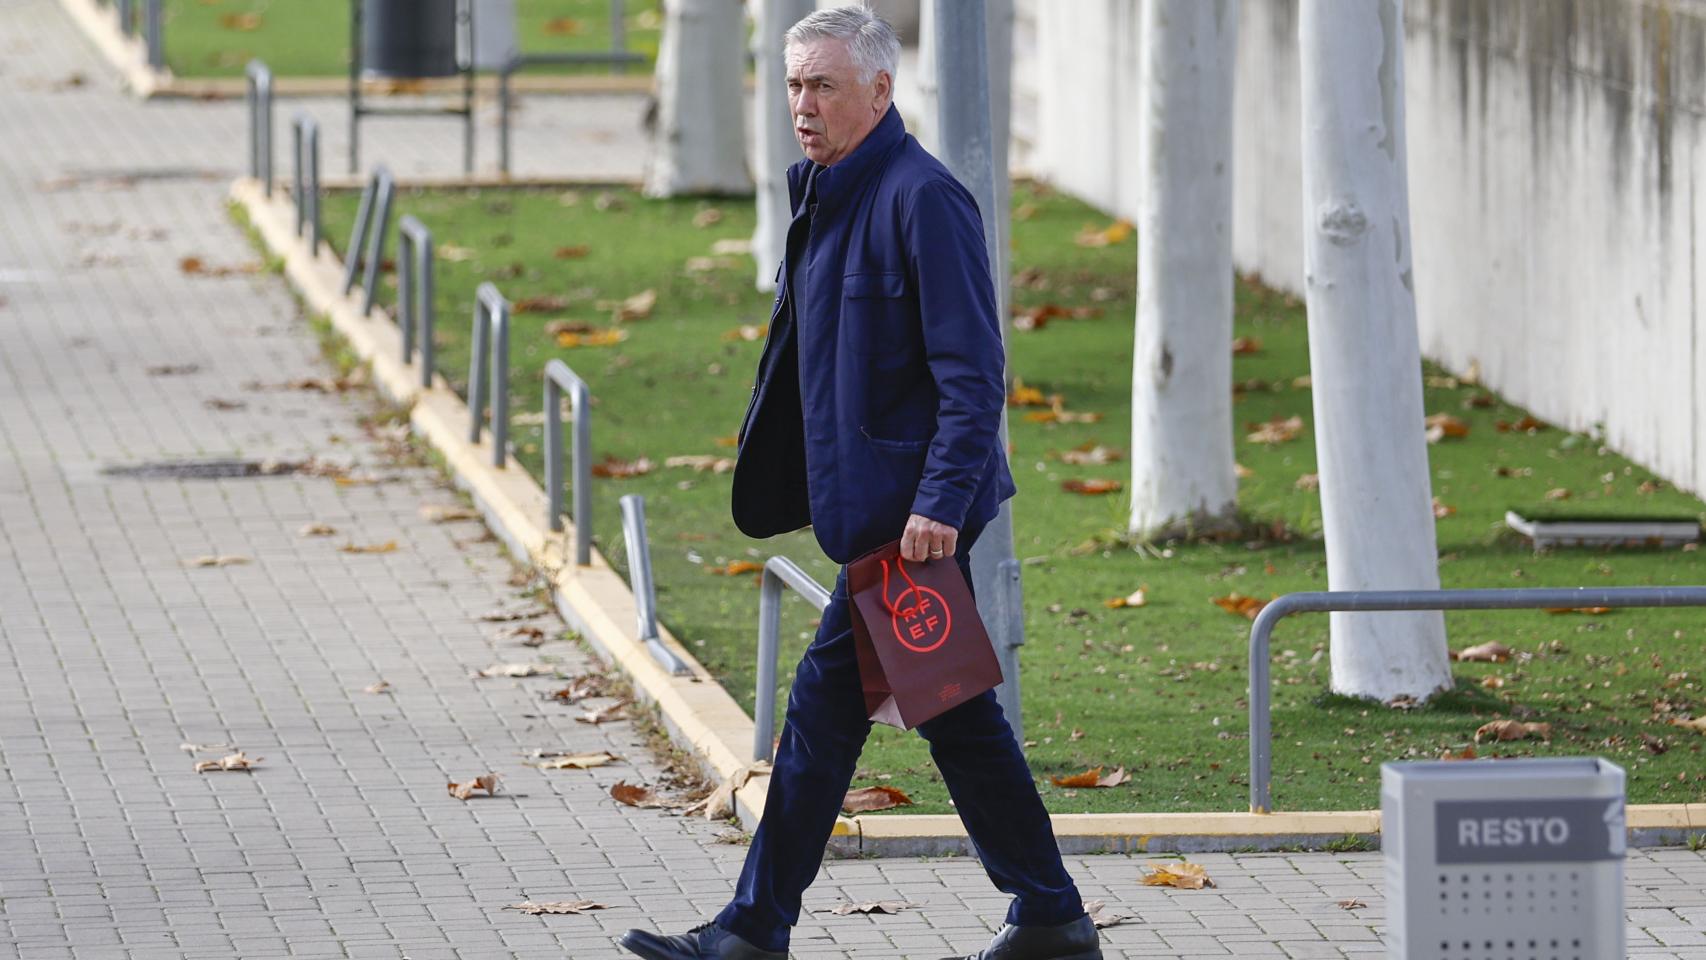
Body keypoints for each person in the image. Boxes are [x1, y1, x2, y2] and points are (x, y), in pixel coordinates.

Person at [618, 6, 1099, 960]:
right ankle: (1049, 916)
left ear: (880, 92)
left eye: (823, 85)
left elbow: (974, 376)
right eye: (794, 84)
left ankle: (757, 931)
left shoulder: (924, 200)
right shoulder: (826, 193)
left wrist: (938, 507)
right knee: (944, 722)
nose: (802, 104)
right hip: (875, 516)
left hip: (910, 522)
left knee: (834, 716)